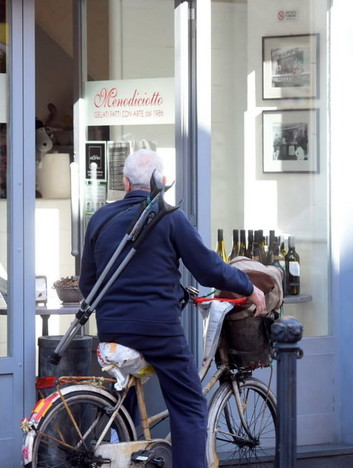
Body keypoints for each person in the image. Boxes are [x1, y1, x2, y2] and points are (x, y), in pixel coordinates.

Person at [78, 148, 266, 468]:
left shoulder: (100, 218)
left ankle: (125, 450)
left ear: (124, 182)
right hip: (158, 328)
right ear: (162, 182)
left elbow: (87, 284)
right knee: (189, 406)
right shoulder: (168, 217)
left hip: (112, 328)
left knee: (125, 402)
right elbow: (208, 269)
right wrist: (249, 287)